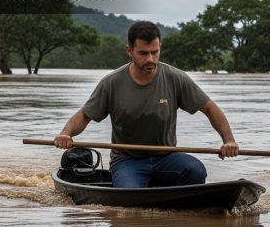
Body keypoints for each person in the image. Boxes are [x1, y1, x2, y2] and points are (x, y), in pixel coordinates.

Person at [54, 21, 239, 188]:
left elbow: (210, 108)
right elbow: (85, 115)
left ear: (160, 48)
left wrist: (228, 140)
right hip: (128, 162)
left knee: (196, 171)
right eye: (143, 53)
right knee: (131, 195)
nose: (150, 59)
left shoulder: (175, 78)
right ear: (129, 51)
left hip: (167, 158)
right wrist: (66, 133)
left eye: (154, 52)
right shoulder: (111, 83)